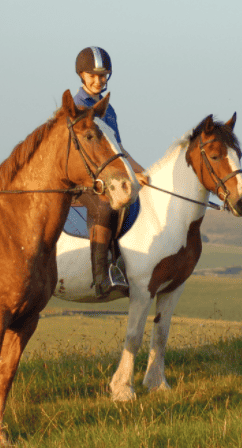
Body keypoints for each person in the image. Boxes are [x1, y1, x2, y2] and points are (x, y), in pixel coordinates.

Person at [73, 46, 146, 297]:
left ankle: (126, 264)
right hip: (81, 180)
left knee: (136, 198)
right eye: (92, 76)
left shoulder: (107, 109)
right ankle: (101, 277)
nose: (98, 80)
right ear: (82, 76)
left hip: (105, 177)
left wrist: (139, 172)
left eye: (103, 76)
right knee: (105, 206)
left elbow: (118, 148)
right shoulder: (77, 107)